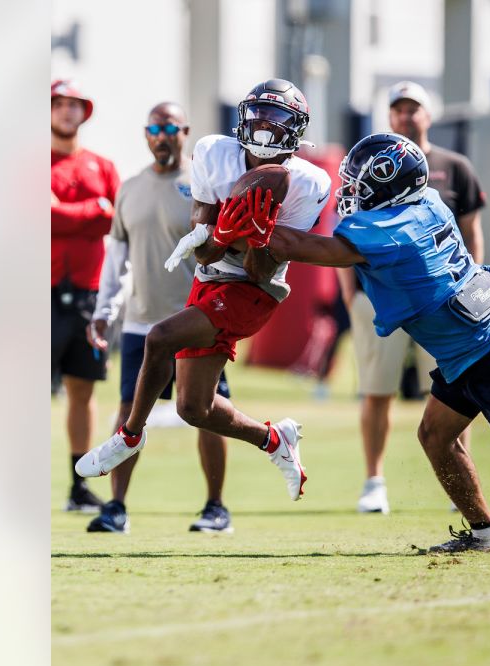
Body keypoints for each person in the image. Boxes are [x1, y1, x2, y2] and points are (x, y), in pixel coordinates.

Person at [263, 132, 490, 553]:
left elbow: (296, 245)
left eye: (359, 182)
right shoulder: (427, 202)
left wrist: (238, 220)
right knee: (435, 436)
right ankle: (486, 533)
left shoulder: (392, 230)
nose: (351, 190)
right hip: (473, 341)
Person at [76, 79, 331, 503]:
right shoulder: (217, 152)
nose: (266, 126)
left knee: (159, 338)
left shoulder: (308, 182)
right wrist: (228, 229)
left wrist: (257, 236)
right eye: (259, 115)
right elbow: (205, 252)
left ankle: (129, 435)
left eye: (279, 118)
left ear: (297, 128)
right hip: (210, 277)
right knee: (195, 408)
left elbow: (258, 267)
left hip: (255, 289)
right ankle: (274, 440)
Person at [84, 102, 234, 534]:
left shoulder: (204, 185)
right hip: (141, 324)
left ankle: (216, 508)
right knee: (130, 411)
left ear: (185, 131)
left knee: (206, 410)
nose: (162, 135)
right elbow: (117, 260)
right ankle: (116, 507)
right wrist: (104, 311)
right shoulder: (129, 188)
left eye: (171, 127)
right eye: (154, 128)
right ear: (146, 134)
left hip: (197, 320)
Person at [342, 81, 489, 515]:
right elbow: (346, 235)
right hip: (380, 299)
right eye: (398, 109)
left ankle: (462, 483)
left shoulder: (453, 165)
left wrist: (471, 285)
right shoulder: (365, 162)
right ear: (389, 117)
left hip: (444, 300)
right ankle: (374, 481)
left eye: (414, 109)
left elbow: (470, 232)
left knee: (456, 389)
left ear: (428, 115)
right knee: (376, 389)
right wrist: (352, 294)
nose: (406, 116)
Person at [51, 79, 120, 512]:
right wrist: (91, 212)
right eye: (58, 103)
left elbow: (114, 219)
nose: (66, 111)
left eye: (74, 104)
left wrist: (72, 213)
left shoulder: (102, 165)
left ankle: (79, 486)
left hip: (88, 294)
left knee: (83, 390)